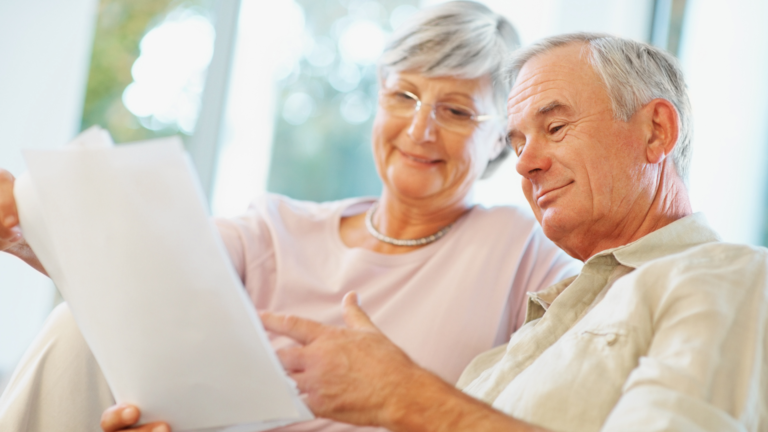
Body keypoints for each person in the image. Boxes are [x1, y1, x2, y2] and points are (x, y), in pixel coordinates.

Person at [102, 33, 768, 431]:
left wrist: (409, 399)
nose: (529, 161)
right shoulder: (529, 336)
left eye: (555, 127)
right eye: (517, 140)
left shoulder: (728, 278)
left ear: (657, 132)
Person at [0, 3, 580, 432]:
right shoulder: (274, 228)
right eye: (403, 96)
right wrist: (34, 231)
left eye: (455, 110)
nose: (419, 130)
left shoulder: (523, 252)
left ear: (501, 142)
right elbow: (145, 276)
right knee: (73, 330)